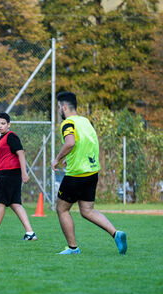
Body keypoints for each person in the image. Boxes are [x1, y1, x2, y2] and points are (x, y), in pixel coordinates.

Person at [52, 91, 127, 255]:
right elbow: (88, 143)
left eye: (58, 107)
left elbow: (70, 142)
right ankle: (116, 233)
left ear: (64, 107)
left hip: (76, 175)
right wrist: (70, 158)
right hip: (92, 172)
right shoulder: (85, 122)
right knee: (87, 210)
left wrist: (57, 158)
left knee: (62, 209)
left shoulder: (68, 123)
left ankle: (73, 248)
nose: (58, 110)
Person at [0, 112, 37, 241]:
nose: (0, 126)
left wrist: (24, 172)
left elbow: (21, 153)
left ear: (8, 124)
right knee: (15, 203)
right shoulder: (0, 139)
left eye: (3, 123)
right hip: (7, 174)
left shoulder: (11, 136)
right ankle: (30, 233)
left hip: (8, 175)